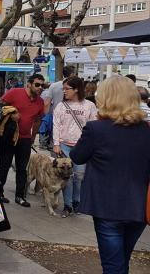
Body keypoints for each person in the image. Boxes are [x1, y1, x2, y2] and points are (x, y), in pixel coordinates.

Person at [70, 76, 150, 274]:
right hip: (139, 206)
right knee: (122, 259)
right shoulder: (146, 130)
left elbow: (77, 156)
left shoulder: (96, 129)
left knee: (113, 265)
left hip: (107, 207)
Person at [52, 76, 98, 217]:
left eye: (67, 89)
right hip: (64, 146)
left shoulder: (89, 106)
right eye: (63, 89)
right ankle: (67, 205)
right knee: (67, 176)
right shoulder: (61, 106)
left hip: (82, 147)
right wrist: (56, 143)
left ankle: (77, 201)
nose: (64, 91)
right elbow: (56, 125)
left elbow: (93, 126)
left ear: (77, 89)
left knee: (79, 176)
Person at [0, 73, 45, 207]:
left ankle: (20, 196)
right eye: (37, 84)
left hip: (25, 138)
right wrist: (11, 113)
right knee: (4, 166)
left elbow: (37, 121)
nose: (40, 88)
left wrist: (32, 137)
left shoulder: (40, 101)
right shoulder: (14, 93)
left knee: (22, 168)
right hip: (8, 136)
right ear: (29, 84)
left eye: (42, 85)